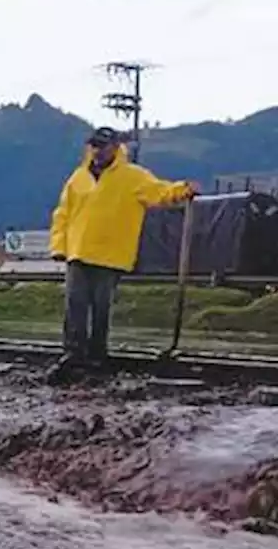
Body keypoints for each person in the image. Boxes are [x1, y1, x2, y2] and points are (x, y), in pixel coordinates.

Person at [48, 126, 195, 377]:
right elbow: (63, 214)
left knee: (101, 307)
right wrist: (59, 246)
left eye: (103, 146)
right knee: (75, 305)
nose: (97, 151)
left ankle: (96, 356)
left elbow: (158, 191)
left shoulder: (132, 176)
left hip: (110, 254)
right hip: (78, 251)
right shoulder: (77, 178)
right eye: (94, 145)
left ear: (115, 147)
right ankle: (74, 355)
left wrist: (182, 189)